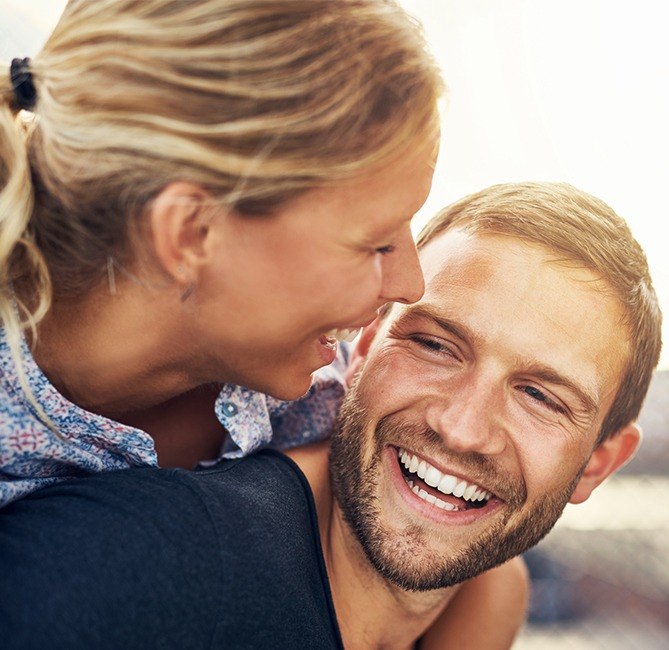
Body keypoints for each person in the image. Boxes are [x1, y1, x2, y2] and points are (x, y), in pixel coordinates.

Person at [1, 182, 660, 649]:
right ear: (365, 346)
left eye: (540, 396)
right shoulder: (131, 564)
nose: (461, 427)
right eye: (432, 345)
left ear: (596, 463)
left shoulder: (485, 592)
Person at [0, 0, 443, 505]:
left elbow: (497, 581)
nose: (411, 285)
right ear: (190, 232)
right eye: (377, 243)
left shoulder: (309, 387)